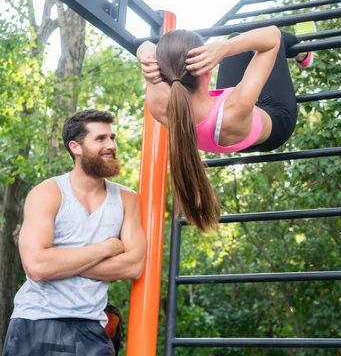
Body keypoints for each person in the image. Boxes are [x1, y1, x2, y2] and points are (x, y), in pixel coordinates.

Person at [136, 25, 313, 233]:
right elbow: (272, 36)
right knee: (256, 42)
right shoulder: (233, 108)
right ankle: (303, 53)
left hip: (230, 132)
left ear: (160, 72)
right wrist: (223, 48)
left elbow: (145, 46)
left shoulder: (161, 105)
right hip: (276, 122)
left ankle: (286, 50)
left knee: (238, 37)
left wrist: (146, 59)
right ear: (209, 70)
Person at [2, 109, 147, 356]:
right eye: (100, 139)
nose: (111, 145)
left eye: (112, 137)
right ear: (76, 147)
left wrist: (59, 261)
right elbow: (37, 267)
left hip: (92, 327)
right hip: (37, 320)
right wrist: (107, 249)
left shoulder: (126, 199)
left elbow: (133, 266)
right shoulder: (48, 193)